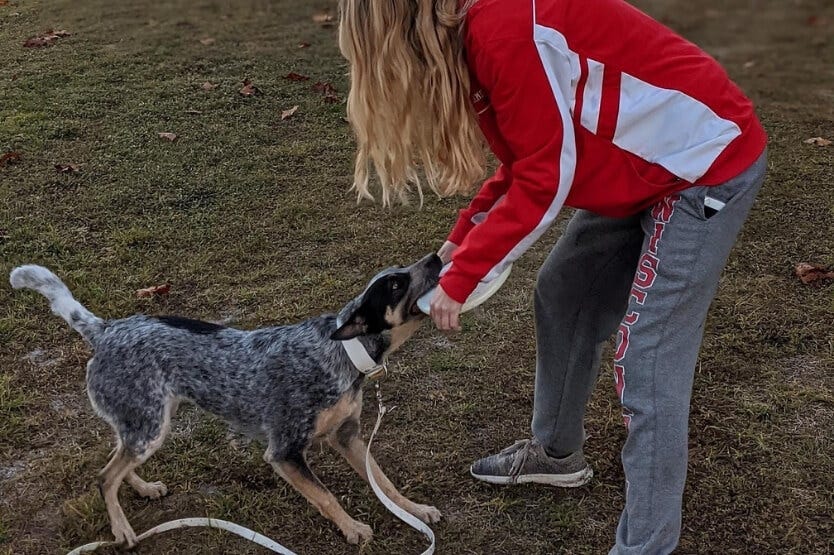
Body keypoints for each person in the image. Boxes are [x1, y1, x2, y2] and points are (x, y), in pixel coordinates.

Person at [338, 0, 767, 553]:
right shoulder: (483, 35)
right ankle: (556, 455)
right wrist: (462, 238)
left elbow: (547, 176)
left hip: (703, 166)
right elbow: (528, 155)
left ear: (398, 33)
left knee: (649, 360)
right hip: (637, 167)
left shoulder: (504, 33)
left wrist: (464, 276)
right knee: (563, 294)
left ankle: (645, 547)